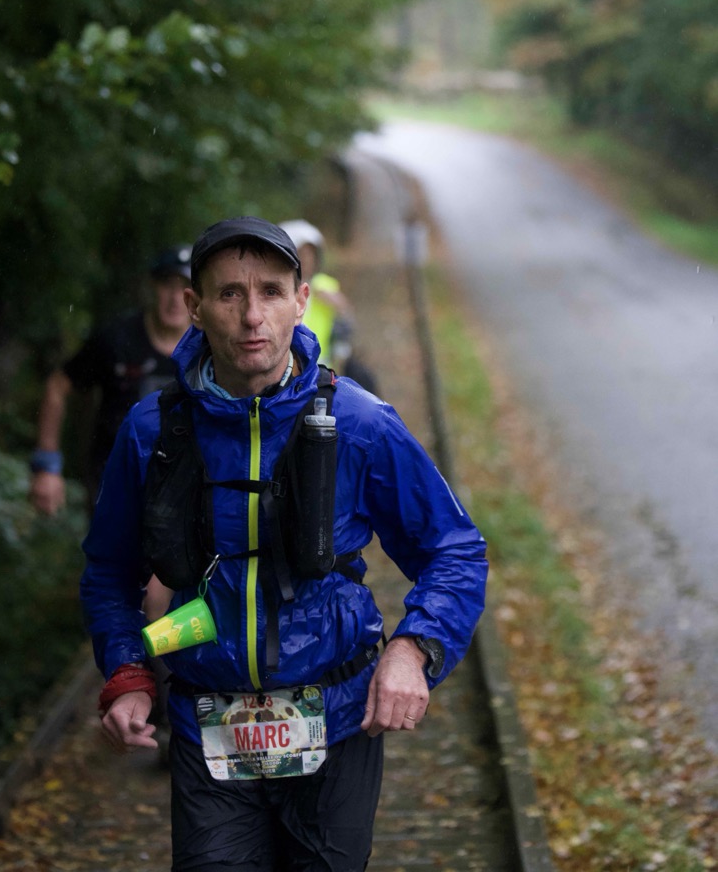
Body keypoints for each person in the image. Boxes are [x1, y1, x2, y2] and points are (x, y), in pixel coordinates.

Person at [81, 216, 487, 872]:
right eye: (229, 294)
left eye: (270, 292)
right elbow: (109, 570)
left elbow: (454, 550)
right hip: (207, 725)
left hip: (337, 719)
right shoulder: (152, 430)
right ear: (193, 307)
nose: (252, 316)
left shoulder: (359, 423)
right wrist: (126, 672)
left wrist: (414, 650)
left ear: (301, 301)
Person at [29, 244, 192, 517]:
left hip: (182, 492)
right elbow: (58, 386)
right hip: (113, 485)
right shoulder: (117, 338)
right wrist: (47, 465)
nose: (175, 298)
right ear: (153, 286)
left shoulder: (209, 348)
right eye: (168, 285)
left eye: (185, 287)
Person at [280, 218, 379, 394]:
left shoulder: (323, 285)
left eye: (311, 255)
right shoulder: (278, 289)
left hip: (319, 368)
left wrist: (337, 304)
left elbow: (345, 312)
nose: (307, 260)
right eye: (301, 254)